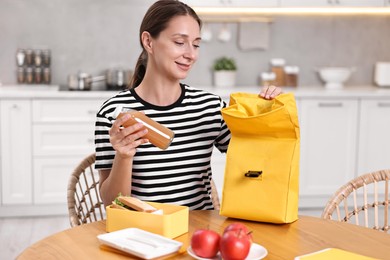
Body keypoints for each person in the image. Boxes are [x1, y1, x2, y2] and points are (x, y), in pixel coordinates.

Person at [95, 0, 282, 210]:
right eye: (179, 42)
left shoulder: (210, 108)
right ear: (148, 42)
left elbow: (258, 163)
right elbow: (113, 203)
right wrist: (124, 155)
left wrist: (268, 116)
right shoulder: (114, 113)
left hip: (199, 237)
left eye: (196, 44)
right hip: (143, 236)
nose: (191, 55)